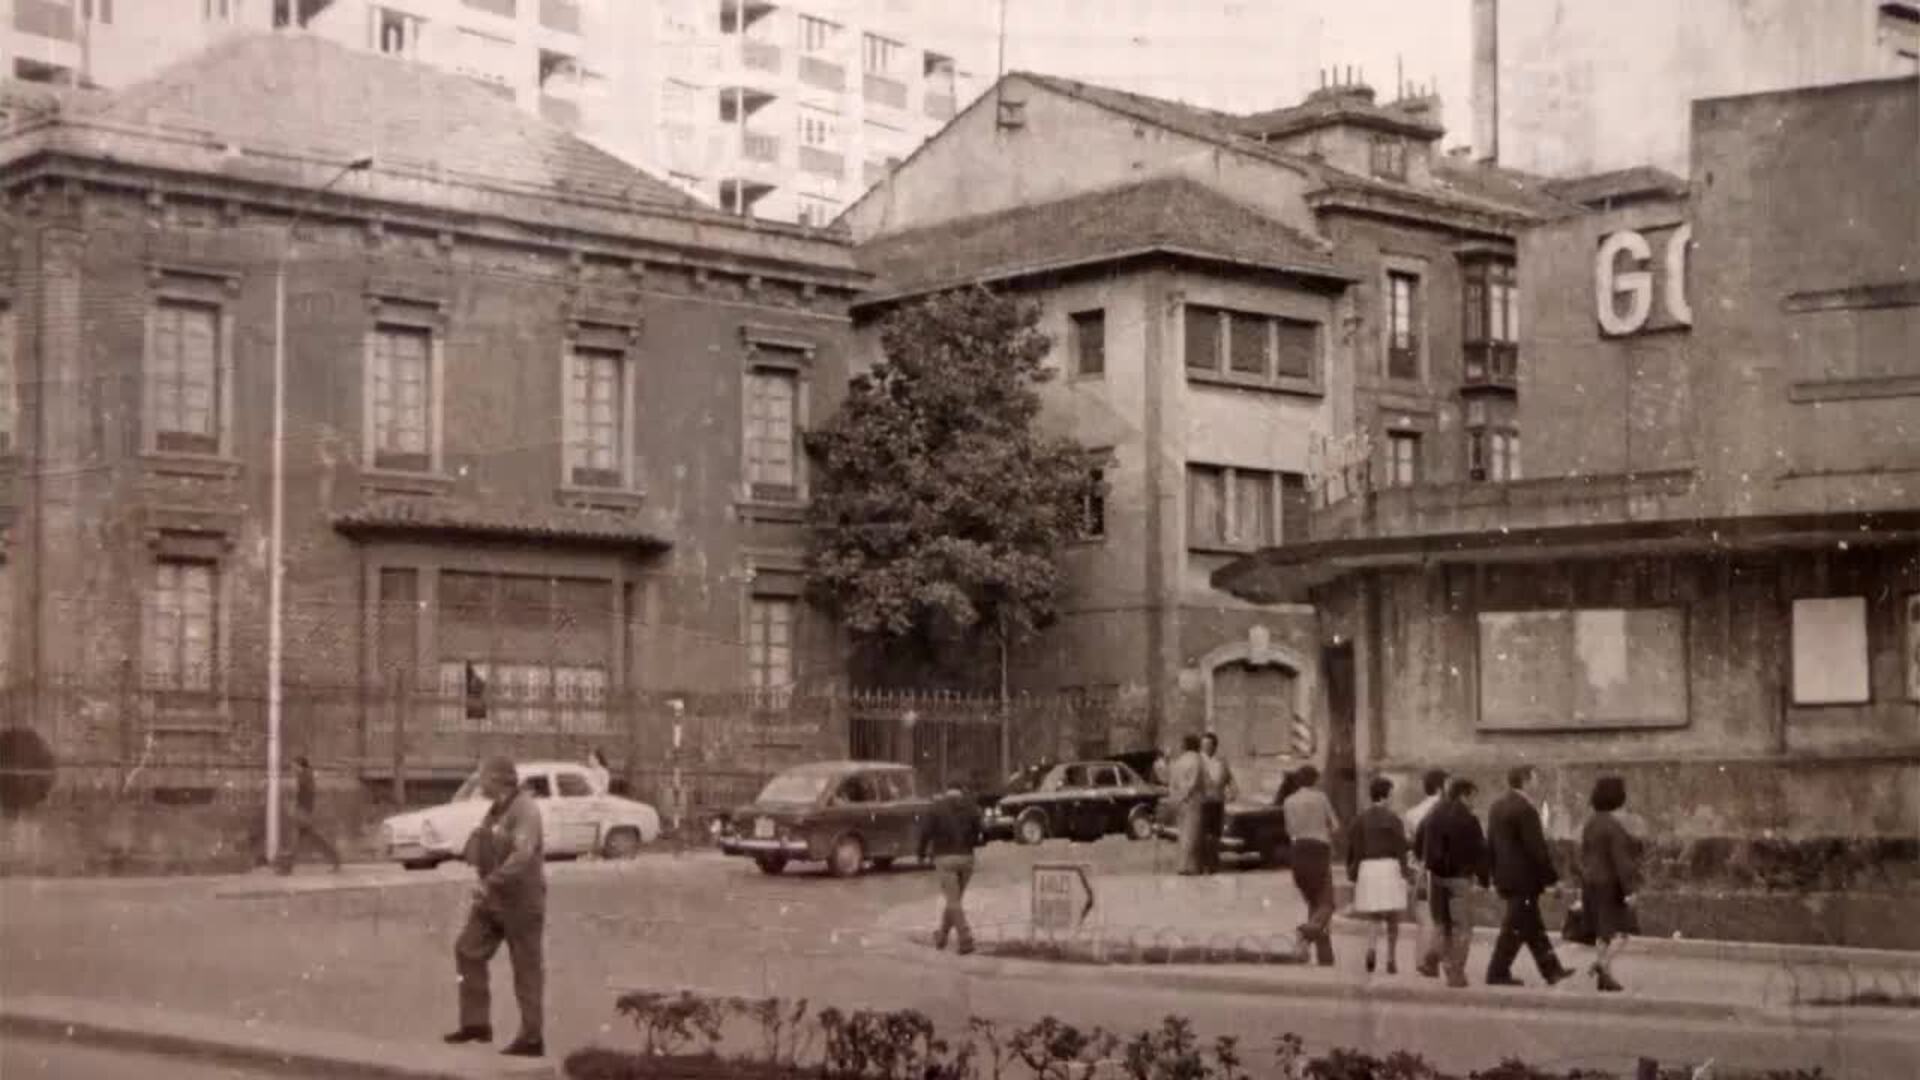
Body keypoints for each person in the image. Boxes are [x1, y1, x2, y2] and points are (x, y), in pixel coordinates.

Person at [445, 756, 547, 1057]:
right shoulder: (495, 809)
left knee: (526, 968)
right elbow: (480, 845)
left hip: (521, 901)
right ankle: (476, 1024)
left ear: (499, 779)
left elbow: (523, 855)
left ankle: (531, 1038)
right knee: (467, 949)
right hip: (493, 900)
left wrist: (490, 881)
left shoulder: (525, 809)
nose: (479, 782)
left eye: (483, 777)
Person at [1485, 765, 1574, 988]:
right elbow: (1537, 849)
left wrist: (1492, 874)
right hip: (1524, 879)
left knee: (1532, 926)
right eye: (1535, 778)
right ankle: (1497, 972)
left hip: (1506, 877)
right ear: (1525, 781)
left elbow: (1491, 844)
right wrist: (1554, 879)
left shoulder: (1497, 806)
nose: (1537, 782)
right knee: (1514, 927)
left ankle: (1552, 970)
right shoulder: (1526, 809)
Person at [1420, 777, 1489, 988]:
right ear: (1464, 794)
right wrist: (1484, 879)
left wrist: (1427, 863)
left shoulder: (1434, 814)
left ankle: (1432, 958)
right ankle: (1455, 972)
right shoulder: (1469, 819)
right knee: (1462, 927)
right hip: (1459, 878)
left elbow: (1419, 840)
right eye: (1473, 796)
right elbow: (1480, 852)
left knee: (1442, 923)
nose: (1474, 801)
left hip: (1437, 878)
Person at [1580, 775, 1641, 993]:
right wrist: (1630, 890)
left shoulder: (1590, 823)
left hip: (1591, 883)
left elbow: (1584, 855)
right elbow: (1621, 861)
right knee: (1623, 932)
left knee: (1602, 932)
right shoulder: (1613, 826)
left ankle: (1605, 974)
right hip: (1610, 885)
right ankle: (1603, 967)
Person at [1347, 776, 1411, 975]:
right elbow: (1401, 847)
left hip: (1368, 868)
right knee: (1393, 916)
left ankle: (1372, 947)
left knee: (1375, 915)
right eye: (1391, 793)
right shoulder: (1393, 819)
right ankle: (1391, 958)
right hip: (1389, 866)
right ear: (1387, 795)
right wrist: (1406, 872)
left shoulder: (1360, 819)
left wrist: (1354, 871)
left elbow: (1354, 848)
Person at [1280, 765, 1339, 966]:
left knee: (1314, 903)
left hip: (1297, 852)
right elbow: (1336, 825)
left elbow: (1289, 830)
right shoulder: (1320, 798)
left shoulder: (1288, 801)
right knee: (1328, 903)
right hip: (1318, 851)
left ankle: (1323, 956)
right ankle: (1305, 931)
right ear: (1315, 780)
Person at [926, 781, 987, 954]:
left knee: (953, 901)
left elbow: (926, 831)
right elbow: (984, 830)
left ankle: (965, 938)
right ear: (961, 791)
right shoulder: (971, 806)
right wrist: (975, 841)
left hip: (944, 858)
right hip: (967, 858)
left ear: (947, 791)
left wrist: (921, 852)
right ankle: (942, 936)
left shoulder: (936, 807)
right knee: (955, 901)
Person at [1404, 768, 1449, 978]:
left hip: (1419, 869)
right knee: (1443, 917)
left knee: (1424, 917)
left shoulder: (1412, 813)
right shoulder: (1446, 810)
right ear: (1442, 787)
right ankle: (1434, 960)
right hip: (1443, 870)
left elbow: (1410, 845)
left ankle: (1421, 959)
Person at [275, 756, 342, 875]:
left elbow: (305, 796)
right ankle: (335, 859)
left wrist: (297, 810)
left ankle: (286, 868)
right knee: (308, 839)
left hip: (303, 813)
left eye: (294, 765)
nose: (292, 768)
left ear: (300, 765)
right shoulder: (306, 776)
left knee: (298, 839)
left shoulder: (305, 777)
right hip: (304, 812)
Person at [1166, 735, 1205, 875]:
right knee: (1192, 833)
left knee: (1182, 833)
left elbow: (1172, 782)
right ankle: (1190, 866)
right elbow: (1194, 782)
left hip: (1179, 801)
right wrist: (1186, 795)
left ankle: (1181, 865)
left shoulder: (1178, 761)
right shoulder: (1197, 760)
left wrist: (1175, 798)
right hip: (1192, 800)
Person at [1197, 732, 1236, 874]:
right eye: (1203, 745)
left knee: (1215, 834)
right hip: (1202, 802)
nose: (1205, 748)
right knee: (1203, 834)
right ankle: (1203, 864)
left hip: (1218, 801)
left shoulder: (1222, 761)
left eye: (1208, 745)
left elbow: (1229, 778)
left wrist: (1233, 791)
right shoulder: (1198, 762)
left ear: (1214, 746)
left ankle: (1214, 864)